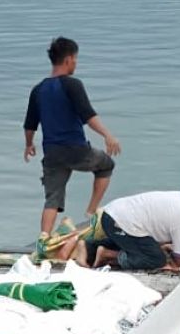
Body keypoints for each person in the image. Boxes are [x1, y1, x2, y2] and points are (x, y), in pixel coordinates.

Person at [23, 36, 122, 260]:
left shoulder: (38, 90)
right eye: (75, 59)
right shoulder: (72, 84)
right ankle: (91, 213)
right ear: (68, 60)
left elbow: (30, 124)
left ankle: (43, 239)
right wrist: (108, 135)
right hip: (76, 150)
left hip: (52, 153)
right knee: (106, 165)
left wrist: (29, 145)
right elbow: (88, 115)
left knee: (52, 199)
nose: (76, 63)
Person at [68, 190, 180, 274]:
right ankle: (108, 254)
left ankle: (88, 247)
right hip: (120, 223)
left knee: (137, 243)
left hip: (112, 214)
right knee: (156, 258)